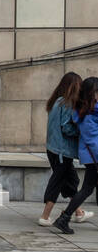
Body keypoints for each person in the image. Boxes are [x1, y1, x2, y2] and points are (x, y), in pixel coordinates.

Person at [39, 72, 91, 224]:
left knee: (71, 180)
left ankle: (79, 213)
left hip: (54, 149)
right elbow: (66, 128)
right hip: (62, 151)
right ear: (75, 86)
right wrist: (81, 131)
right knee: (58, 182)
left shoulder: (56, 101)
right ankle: (45, 216)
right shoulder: (67, 104)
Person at [53, 77, 98, 234]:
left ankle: (64, 218)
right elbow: (93, 140)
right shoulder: (88, 114)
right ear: (91, 94)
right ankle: (64, 218)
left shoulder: (89, 111)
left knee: (88, 188)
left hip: (92, 156)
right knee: (86, 189)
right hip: (94, 157)